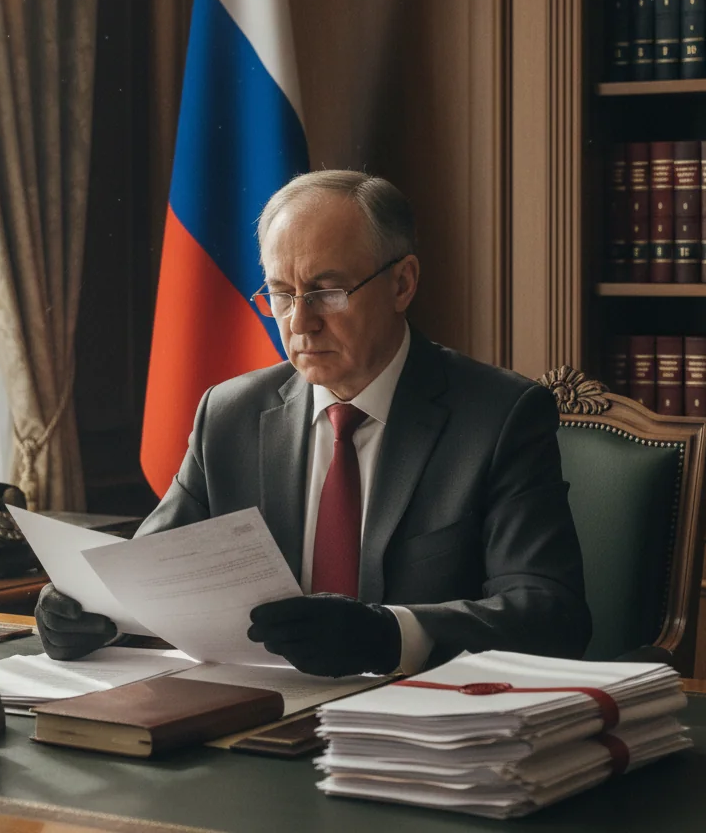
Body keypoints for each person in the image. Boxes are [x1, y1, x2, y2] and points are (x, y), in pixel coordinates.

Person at [37, 170, 591, 676]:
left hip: (423, 727)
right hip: (254, 716)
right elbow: (147, 577)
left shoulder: (497, 416)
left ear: (403, 284)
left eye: (327, 291)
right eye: (280, 293)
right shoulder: (230, 414)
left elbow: (549, 614)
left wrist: (390, 635)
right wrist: (85, 611)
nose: (300, 322)